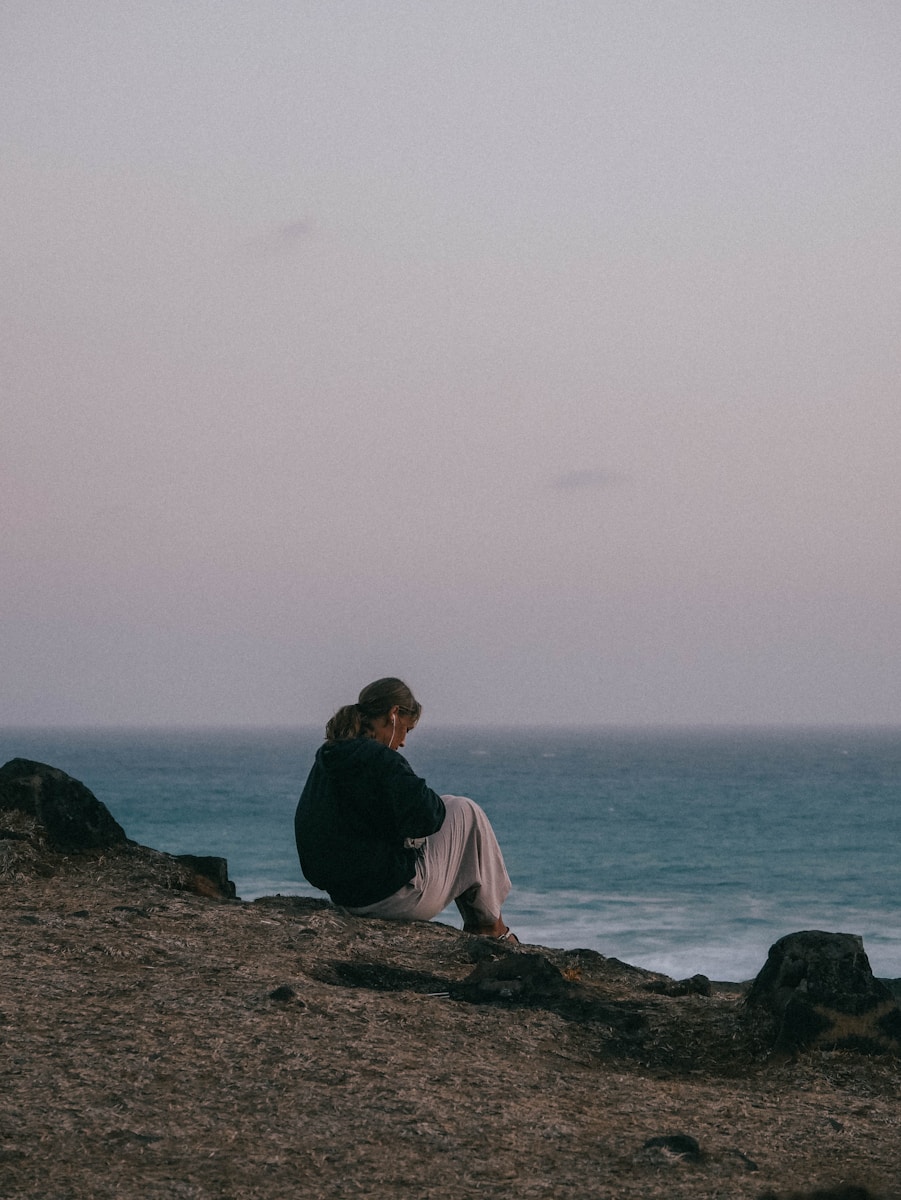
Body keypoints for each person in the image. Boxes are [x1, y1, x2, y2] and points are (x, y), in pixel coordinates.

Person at [294, 677, 517, 941]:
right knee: (465, 811)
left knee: (448, 804)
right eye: (406, 730)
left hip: (346, 898)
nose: (402, 743)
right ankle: (491, 930)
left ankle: (487, 926)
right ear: (394, 714)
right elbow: (428, 813)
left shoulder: (329, 759)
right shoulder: (380, 758)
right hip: (392, 899)